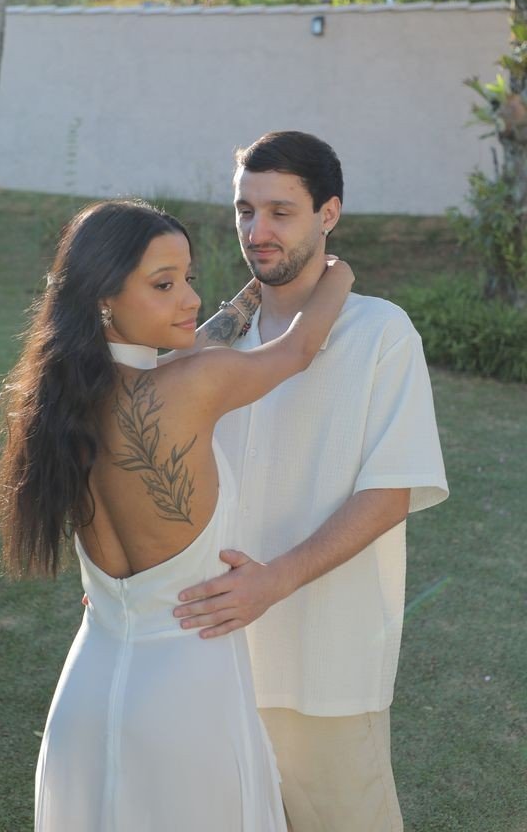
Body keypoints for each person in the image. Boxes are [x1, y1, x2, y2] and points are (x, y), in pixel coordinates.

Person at [0, 198, 354, 832]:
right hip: (187, 698)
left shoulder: (62, 398)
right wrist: (338, 268)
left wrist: (245, 298)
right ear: (105, 300)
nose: (189, 297)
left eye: (188, 277)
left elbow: (187, 347)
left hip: (89, 688)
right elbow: (297, 350)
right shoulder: (198, 382)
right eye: (164, 285)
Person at [172, 131, 449, 832]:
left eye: (280, 212)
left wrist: (274, 581)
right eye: (245, 210)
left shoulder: (381, 332)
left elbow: (390, 492)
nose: (256, 231)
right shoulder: (208, 344)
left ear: (329, 213)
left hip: (326, 664)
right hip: (211, 655)